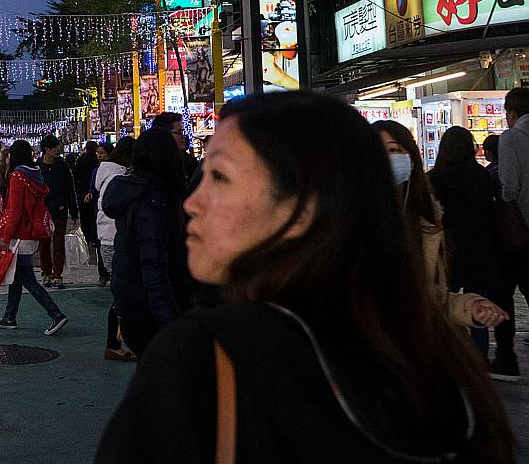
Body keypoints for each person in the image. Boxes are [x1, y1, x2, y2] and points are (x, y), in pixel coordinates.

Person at [98, 92, 514, 463]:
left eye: (220, 177)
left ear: (302, 209)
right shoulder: (445, 368)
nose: (193, 201)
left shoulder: (202, 353)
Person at [374, 121, 508, 357]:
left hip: (415, 358)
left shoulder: (425, 221)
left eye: (395, 150)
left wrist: (470, 307)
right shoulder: (348, 223)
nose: (389, 159)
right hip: (371, 358)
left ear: (412, 156)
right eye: (379, 151)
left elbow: (432, 303)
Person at [430, 126, 516, 375]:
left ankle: (447, 357)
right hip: (482, 253)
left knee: (442, 306)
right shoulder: (483, 177)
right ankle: (479, 362)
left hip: (448, 254)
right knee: (478, 309)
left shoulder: (436, 179)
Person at [100, 128, 193, 357]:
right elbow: (154, 269)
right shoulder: (153, 201)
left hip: (132, 306)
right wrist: (171, 324)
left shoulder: (134, 192)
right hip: (151, 311)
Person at [0, 140, 69, 335]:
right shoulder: (35, 175)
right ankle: (9, 316)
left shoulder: (17, 176)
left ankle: (56, 314)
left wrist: (7, 236)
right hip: (30, 233)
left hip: (20, 235)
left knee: (26, 277)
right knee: (16, 277)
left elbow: (15, 210)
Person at [94, 137, 135, 360]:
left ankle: (115, 342)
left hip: (108, 239)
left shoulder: (109, 175)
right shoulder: (119, 178)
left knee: (121, 293)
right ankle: (114, 343)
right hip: (115, 238)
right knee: (123, 294)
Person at [499, 86, 529, 366]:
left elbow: (509, 188)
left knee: (505, 290)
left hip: (521, 230)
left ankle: (506, 358)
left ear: (512, 112)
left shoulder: (510, 139)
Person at [37, 134, 77, 289]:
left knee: (59, 244)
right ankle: (46, 273)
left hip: (60, 210)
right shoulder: (37, 167)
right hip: (43, 211)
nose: (58, 150)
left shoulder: (63, 165)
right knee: (44, 243)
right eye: (55, 147)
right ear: (47, 149)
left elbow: (70, 189)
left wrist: (74, 211)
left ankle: (57, 274)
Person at [75, 141, 105, 272]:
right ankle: (93, 237)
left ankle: (88, 236)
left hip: (84, 194)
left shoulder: (82, 161)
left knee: (85, 216)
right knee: (94, 217)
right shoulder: (98, 164)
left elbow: (76, 176)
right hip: (96, 194)